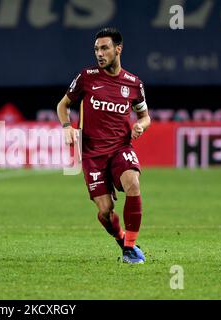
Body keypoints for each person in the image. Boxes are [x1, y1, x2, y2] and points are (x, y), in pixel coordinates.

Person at [57, 27, 151, 264]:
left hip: (121, 148)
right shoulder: (87, 77)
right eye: (96, 49)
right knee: (106, 211)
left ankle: (130, 249)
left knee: (133, 183)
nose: (99, 53)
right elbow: (63, 105)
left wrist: (141, 126)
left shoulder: (133, 83)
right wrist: (67, 126)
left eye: (104, 48)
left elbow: (145, 116)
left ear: (118, 49)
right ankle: (121, 238)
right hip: (92, 154)